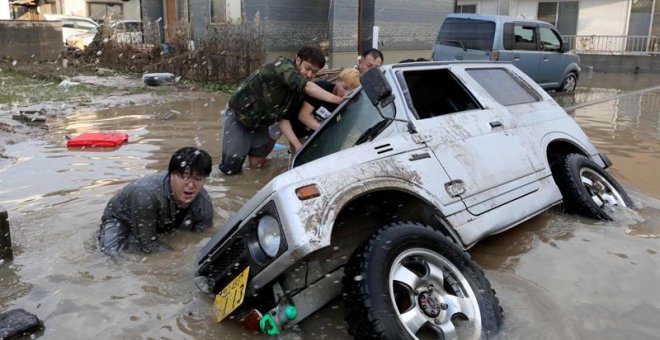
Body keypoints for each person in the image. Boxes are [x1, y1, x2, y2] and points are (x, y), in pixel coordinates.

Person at [219, 46, 346, 175]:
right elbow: (307, 86)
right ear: (298, 60)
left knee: (257, 165)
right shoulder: (282, 66)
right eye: (307, 68)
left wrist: (298, 146)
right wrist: (339, 100)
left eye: (314, 72)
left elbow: (283, 119)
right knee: (231, 169)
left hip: (262, 123)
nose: (309, 75)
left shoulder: (298, 92)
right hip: (239, 117)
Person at [97, 147, 214, 256]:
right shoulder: (145, 194)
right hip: (123, 219)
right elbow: (147, 244)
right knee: (110, 254)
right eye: (185, 177)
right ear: (171, 175)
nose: (191, 185)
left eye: (198, 179)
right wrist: (178, 256)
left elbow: (203, 236)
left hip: (162, 219)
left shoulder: (204, 203)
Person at [279, 68, 361, 153]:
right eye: (345, 88)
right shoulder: (321, 88)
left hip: (315, 128)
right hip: (296, 124)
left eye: (351, 91)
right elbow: (303, 116)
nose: (346, 93)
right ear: (338, 80)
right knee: (296, 153)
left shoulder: (348, 102)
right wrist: (325, 130)